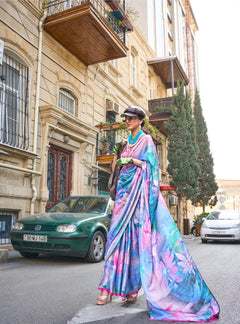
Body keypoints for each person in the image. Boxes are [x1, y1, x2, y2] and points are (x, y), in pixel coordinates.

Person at [97, 106, 220, 322]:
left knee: (136, 244)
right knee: (115, 240)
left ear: (140, 121)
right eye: (125, 118)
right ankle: (106, 289)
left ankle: (131, 291)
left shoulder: (145, 141)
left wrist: (134, 161)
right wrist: (118, 155)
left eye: (130, 118)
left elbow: (152, 169)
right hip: (123, 199)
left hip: (139, 199)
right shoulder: (125, 143)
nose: (126, 121)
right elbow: (116, 170)